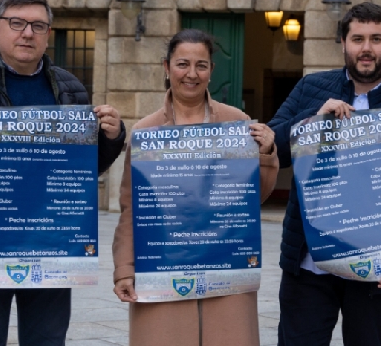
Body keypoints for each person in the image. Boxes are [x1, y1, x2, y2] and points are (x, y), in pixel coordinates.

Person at [0, 0, 126, 346]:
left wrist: (112, 137)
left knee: (47, 340)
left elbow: (78, 174)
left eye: (38, 25)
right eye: (17, 23)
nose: (27, 33)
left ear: (48, 33)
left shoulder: (70, 89)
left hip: (52, 244)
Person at [268, 2, 381, 346]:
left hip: (378, 262)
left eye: (376, 39)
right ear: (344, 43)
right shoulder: (311, 88)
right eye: (358, 39)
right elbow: (275, 145)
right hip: (310, 262)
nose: (366, 49)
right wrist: (313, 120)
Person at [112, 28, 279, 346]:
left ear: (212, 71)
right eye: (182, 64)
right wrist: (124, 268)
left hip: (225, 266)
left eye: (201, 65)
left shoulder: (236, 123)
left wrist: (266, 153)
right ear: (167, 67)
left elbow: (253, 198)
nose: (191, 74)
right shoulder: (147, 131)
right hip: (163, 264)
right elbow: (131, 207)